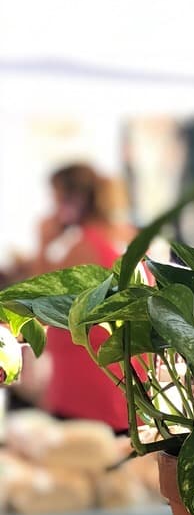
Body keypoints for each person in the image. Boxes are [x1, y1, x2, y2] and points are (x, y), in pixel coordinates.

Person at [27, 164, 135, 430]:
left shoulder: (85, 246)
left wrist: (42, 242)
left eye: (55, 198)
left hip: (89, 378)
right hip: (116, 370)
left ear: (72, 200)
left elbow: (40, 301)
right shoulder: (122, 233)